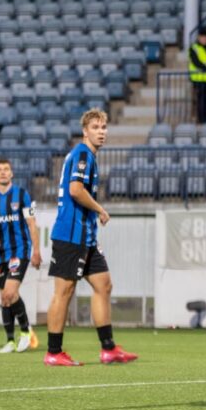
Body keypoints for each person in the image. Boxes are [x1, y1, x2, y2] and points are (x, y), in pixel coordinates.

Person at [45, 108, 138, 367]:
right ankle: (53, 352)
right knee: (64, 291)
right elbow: (75, 190)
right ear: (85, 131)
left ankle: (108, 348)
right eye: (95, 128)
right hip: (70, 234)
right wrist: (100, 209)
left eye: (104, 127)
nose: (101, 132)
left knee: (103, 285)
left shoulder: (88, 156)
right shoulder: (83, 154)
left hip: (85, 236)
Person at [0, 159, 40, 354]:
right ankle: (10, 340)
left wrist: (36, 251)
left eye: (6, 169)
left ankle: (26, 332)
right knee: (5, 299)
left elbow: (32, 224)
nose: (3, 172)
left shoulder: (22, 195)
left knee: (9, 293)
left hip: (19, 251)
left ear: (11, 173)